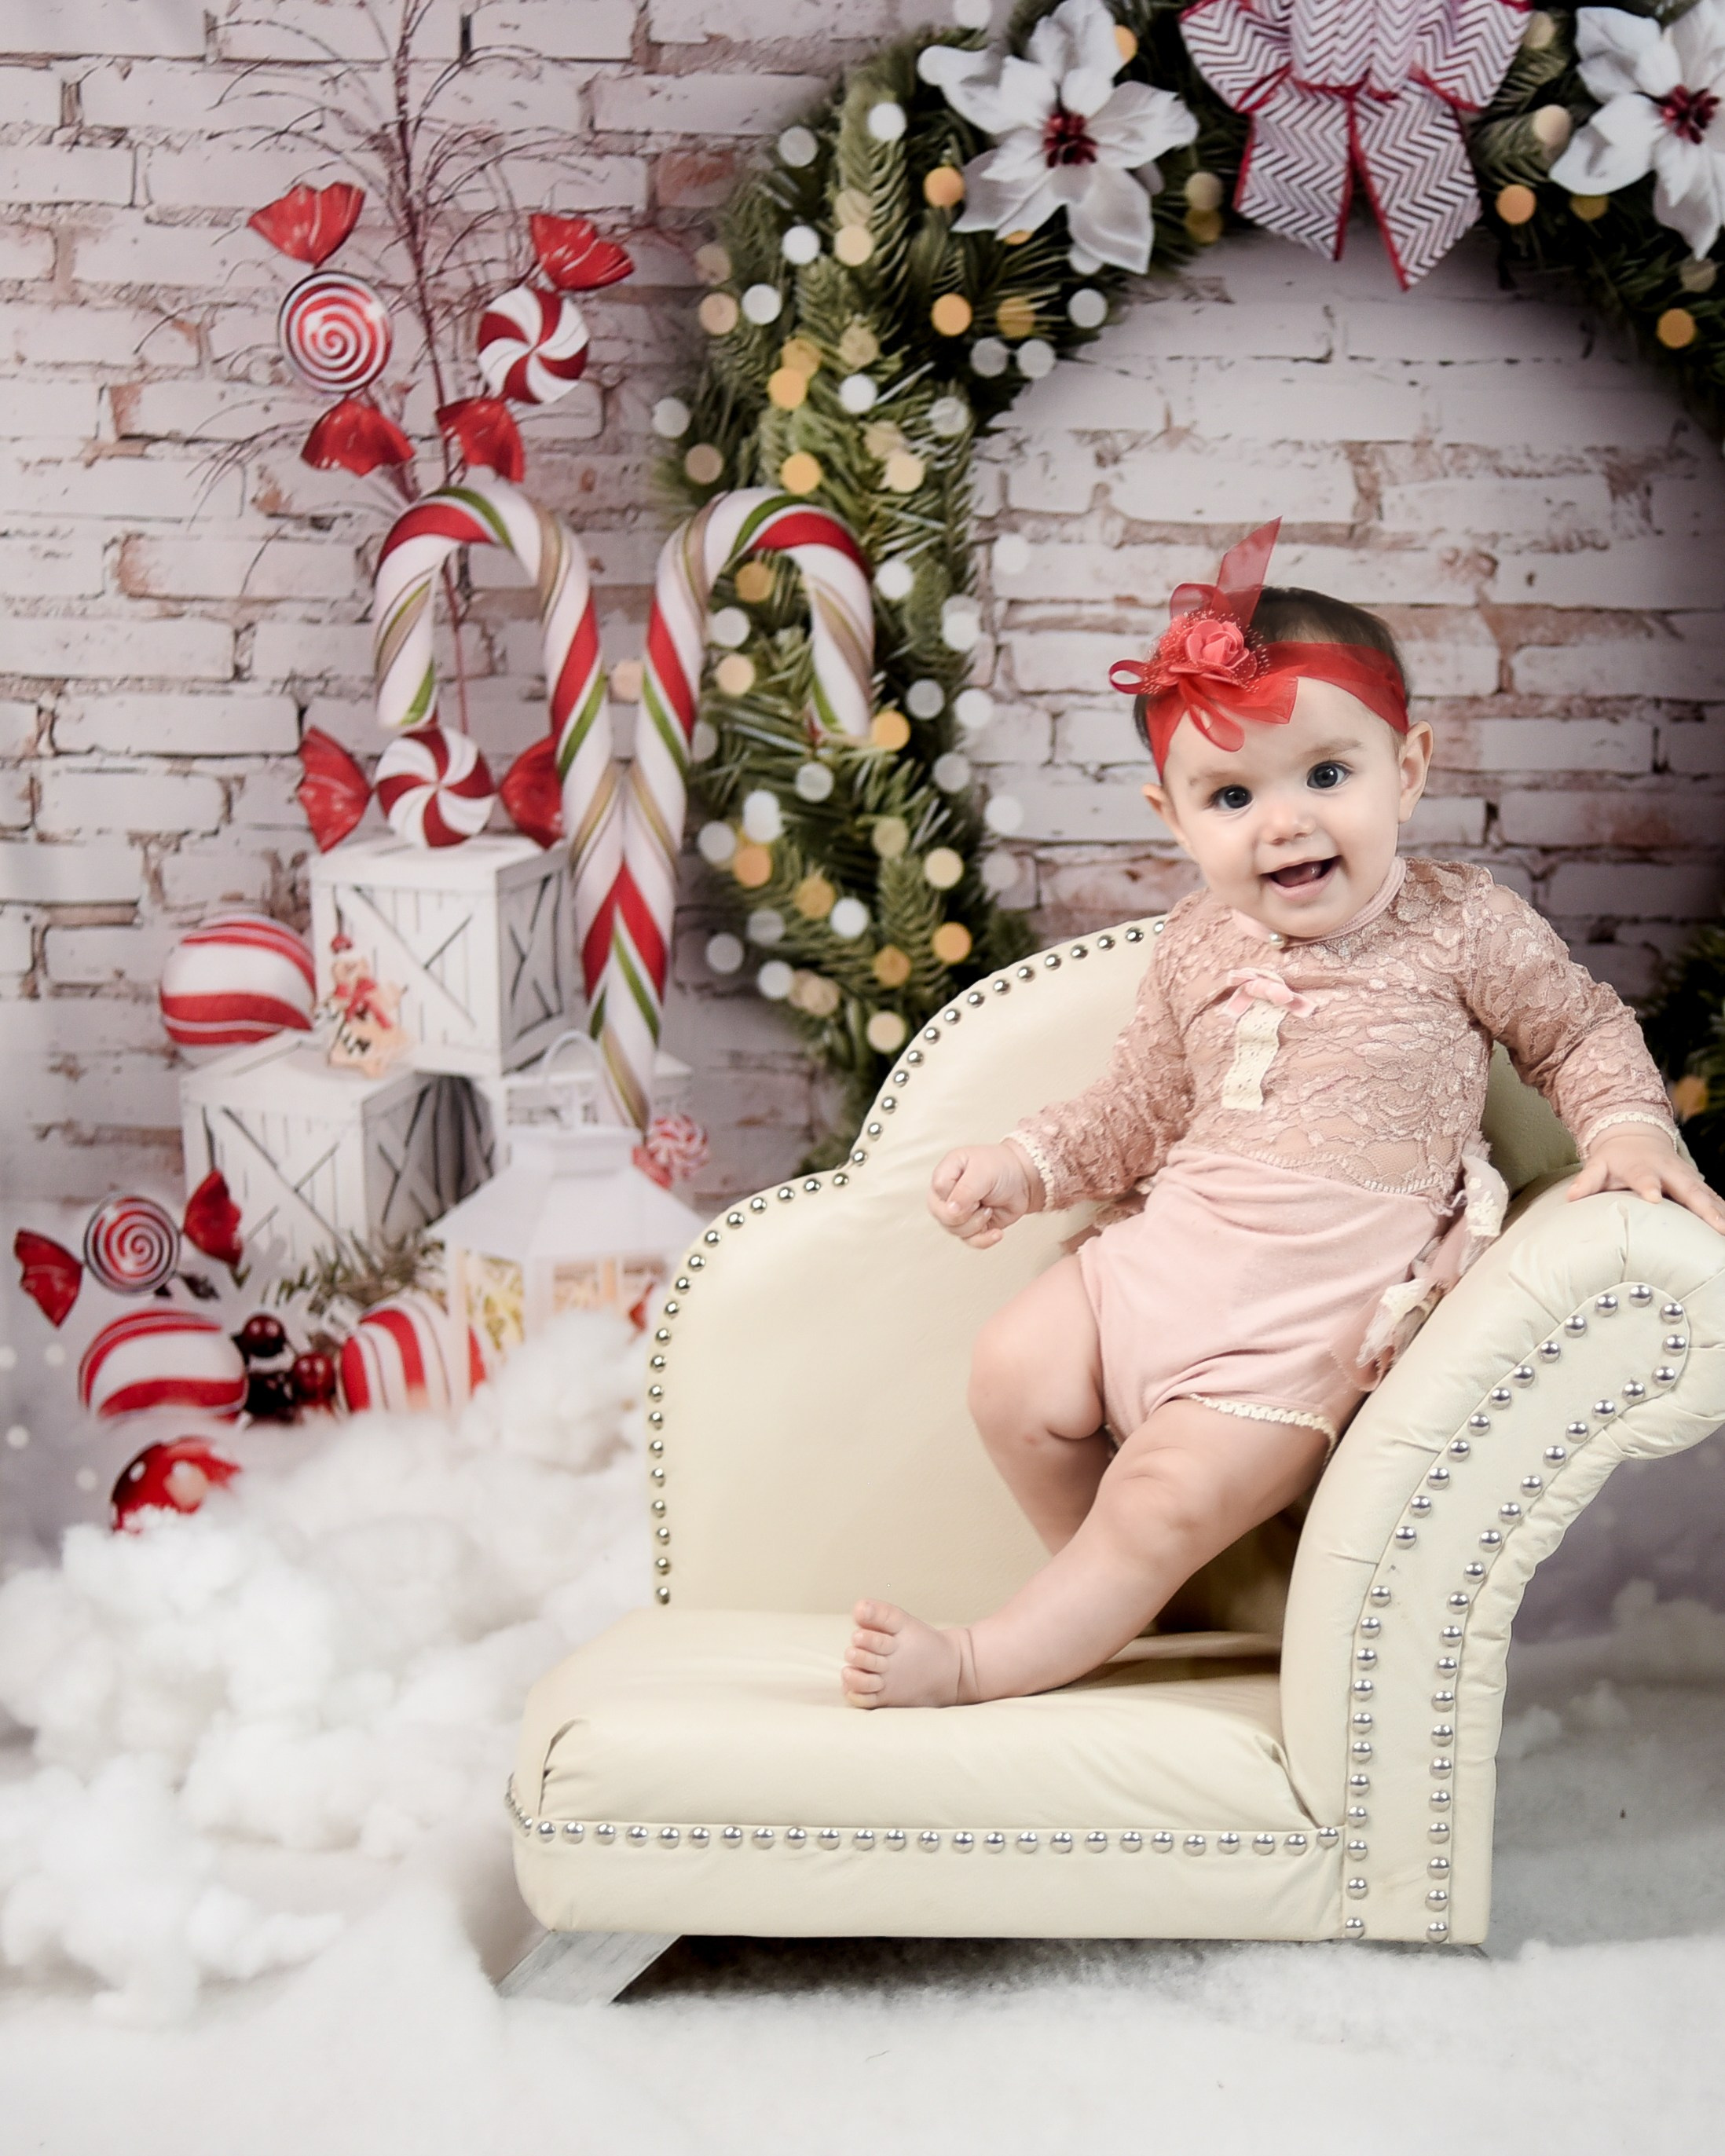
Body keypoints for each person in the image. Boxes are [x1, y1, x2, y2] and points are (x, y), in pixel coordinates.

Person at [841, 520, 1725, 1711]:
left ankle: (985, 1658)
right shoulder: (1195, 942)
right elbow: (1140, 1104)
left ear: (1404, 769)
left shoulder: (1463, 926)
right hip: (1172, 1252)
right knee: (1011, 1370)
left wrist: (1627, 1130)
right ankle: (1132, 1595)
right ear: (1174, 816)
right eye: (1231, 793)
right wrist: (1025, 1163)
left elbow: (1576, 1030)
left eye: (1326, 774)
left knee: (1161, 1492)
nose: (1285, 821)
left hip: (1303, 1318)